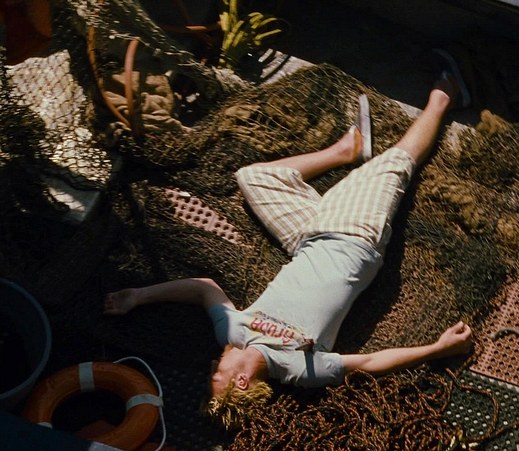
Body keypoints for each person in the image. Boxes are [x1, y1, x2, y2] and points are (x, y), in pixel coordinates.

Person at [103, 59, 474, 428]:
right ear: (242, 381)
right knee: (396, 161)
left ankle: (347, 150)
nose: (214, 363)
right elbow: (370, 362)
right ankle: (446, 95)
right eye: (218, 373)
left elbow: (204, 288)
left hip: (305, 239)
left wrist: (139, 296)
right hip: (352, 237)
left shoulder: (234, 333)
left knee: (253, 178)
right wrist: (437, 349)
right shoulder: (301, 370)